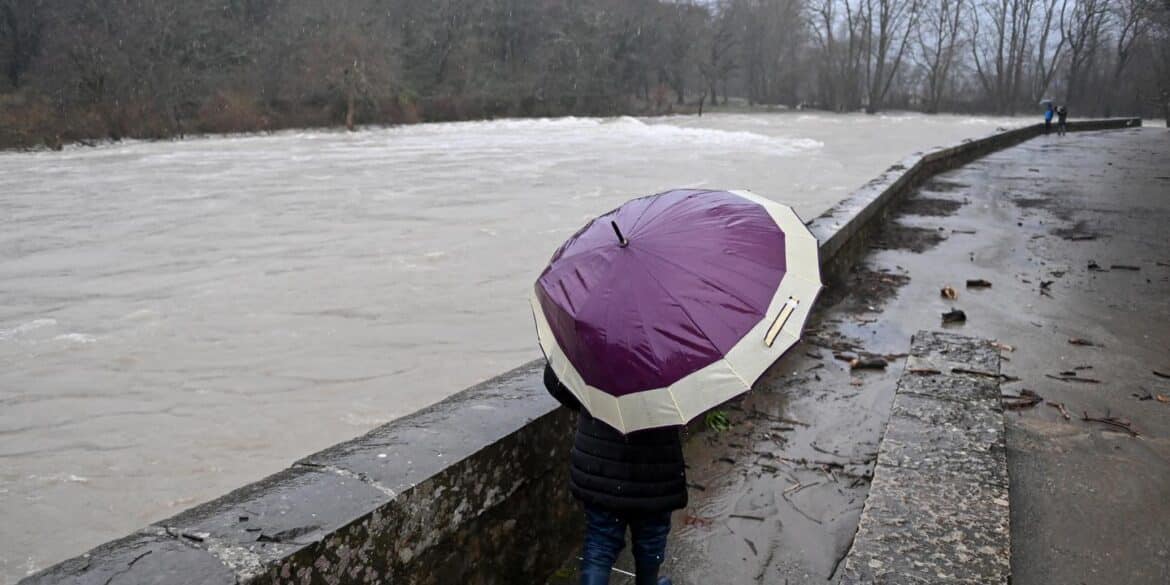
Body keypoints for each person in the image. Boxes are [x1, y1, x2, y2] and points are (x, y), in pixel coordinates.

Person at [544, 364, 683, 585]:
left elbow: (556, 383)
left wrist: (591, 404)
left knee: (601, 538)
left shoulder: (589, 331)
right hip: (654, 462)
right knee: (650, 536)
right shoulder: (671, 335)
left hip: (600, 459)